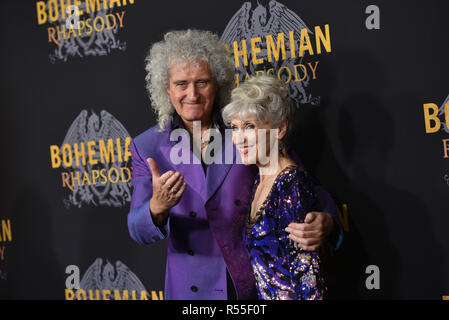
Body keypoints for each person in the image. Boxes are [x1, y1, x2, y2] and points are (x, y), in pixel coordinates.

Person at [127, 29, 342, 300]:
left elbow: (302, 183)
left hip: (248, 286)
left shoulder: (245, 127)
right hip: (190, 291)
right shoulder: (147, 146)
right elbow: (136, 228)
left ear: (217, 84)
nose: (192, 94)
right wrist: (156, 207)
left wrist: (327, 221)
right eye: (181, 83)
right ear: (166, 88)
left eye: (202, 82)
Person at [222, 74, 326, 299]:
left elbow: (309, 278)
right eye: (235, 127)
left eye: (249, 126)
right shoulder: (260, 180)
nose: (238, 138)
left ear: (279, 129)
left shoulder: (290, 185)